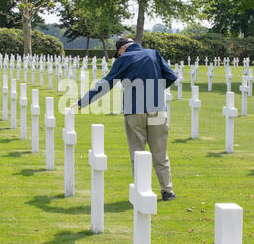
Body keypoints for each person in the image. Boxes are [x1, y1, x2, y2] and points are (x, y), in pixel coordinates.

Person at [72, 38, 178, 201]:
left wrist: (83, 101)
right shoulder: (154, 54)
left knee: (138, 152)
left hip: (134, 110)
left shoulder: (123, 59)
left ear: (122, 49)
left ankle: (142, 189)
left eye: (118, 53)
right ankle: (167, 190)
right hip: (157, 109)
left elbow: (106, 83)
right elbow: (171, 76)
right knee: (160, 153)